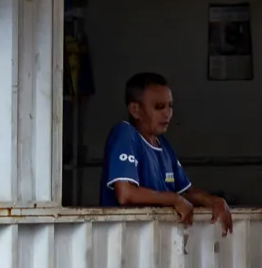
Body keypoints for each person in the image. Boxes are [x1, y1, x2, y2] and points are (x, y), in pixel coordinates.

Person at [100, 72, 233, 236]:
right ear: (135, 110)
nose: (168, 113)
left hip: (158, 243)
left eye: (170, 106)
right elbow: (125, 194)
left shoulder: (163, 146)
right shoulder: (125, 134)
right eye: (159, 107)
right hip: (124, 241)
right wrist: (174, 200)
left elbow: (186, 191)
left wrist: (215, 201)